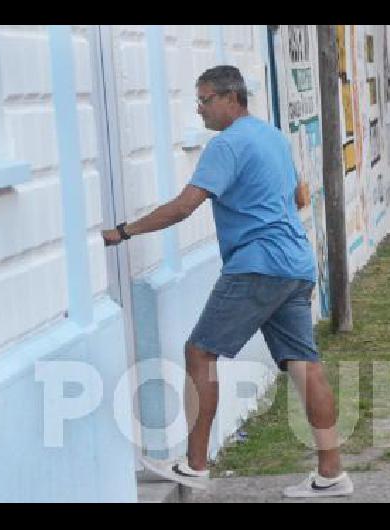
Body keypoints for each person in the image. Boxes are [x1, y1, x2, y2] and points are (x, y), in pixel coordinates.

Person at [102, 65, 354, 499]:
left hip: (256, 267)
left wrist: (123, 232)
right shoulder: (271, 135)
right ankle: (332, 472)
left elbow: (184, 208)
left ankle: (195, 463)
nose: (199, 110)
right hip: (295, 264)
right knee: (305, 365)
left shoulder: (227, 145)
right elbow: (299, 197)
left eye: (204, 100)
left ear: (230, 98)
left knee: (200, 352)